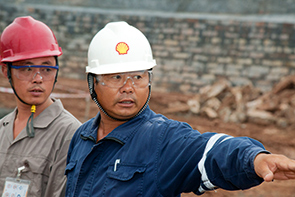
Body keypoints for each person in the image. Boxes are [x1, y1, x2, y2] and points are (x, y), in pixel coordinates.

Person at [64, 21, 295, 197]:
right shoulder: (81, 136)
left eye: (137, 76)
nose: (128, 88)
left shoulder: (163, 139)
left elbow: (210, 150)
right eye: (116, 77)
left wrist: (253, 159)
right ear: (93, 82)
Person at [0, 16, 81, 197]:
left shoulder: (69, 133)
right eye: (27, 68)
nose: (38, 78)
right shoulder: (2, 128)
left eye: (46, 68)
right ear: (6, 71)